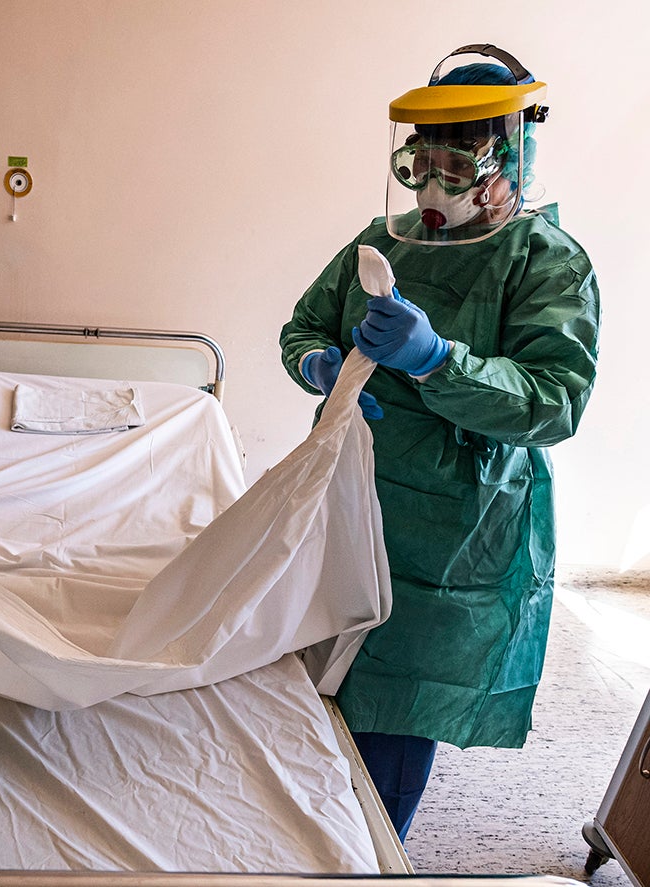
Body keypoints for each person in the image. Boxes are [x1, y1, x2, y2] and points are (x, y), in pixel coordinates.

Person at [279, 44, 600, 841]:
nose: (431, 187)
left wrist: (438, 361)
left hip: (455, 528)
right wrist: (318, 363)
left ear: (510, 160)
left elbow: (555, 400)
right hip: (349, 495)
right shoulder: (381, 242)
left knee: (393, 709)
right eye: (420, 163)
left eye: (456, 166)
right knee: (315, 683)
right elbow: (302, 325)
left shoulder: (546, 262)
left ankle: (370, 853)